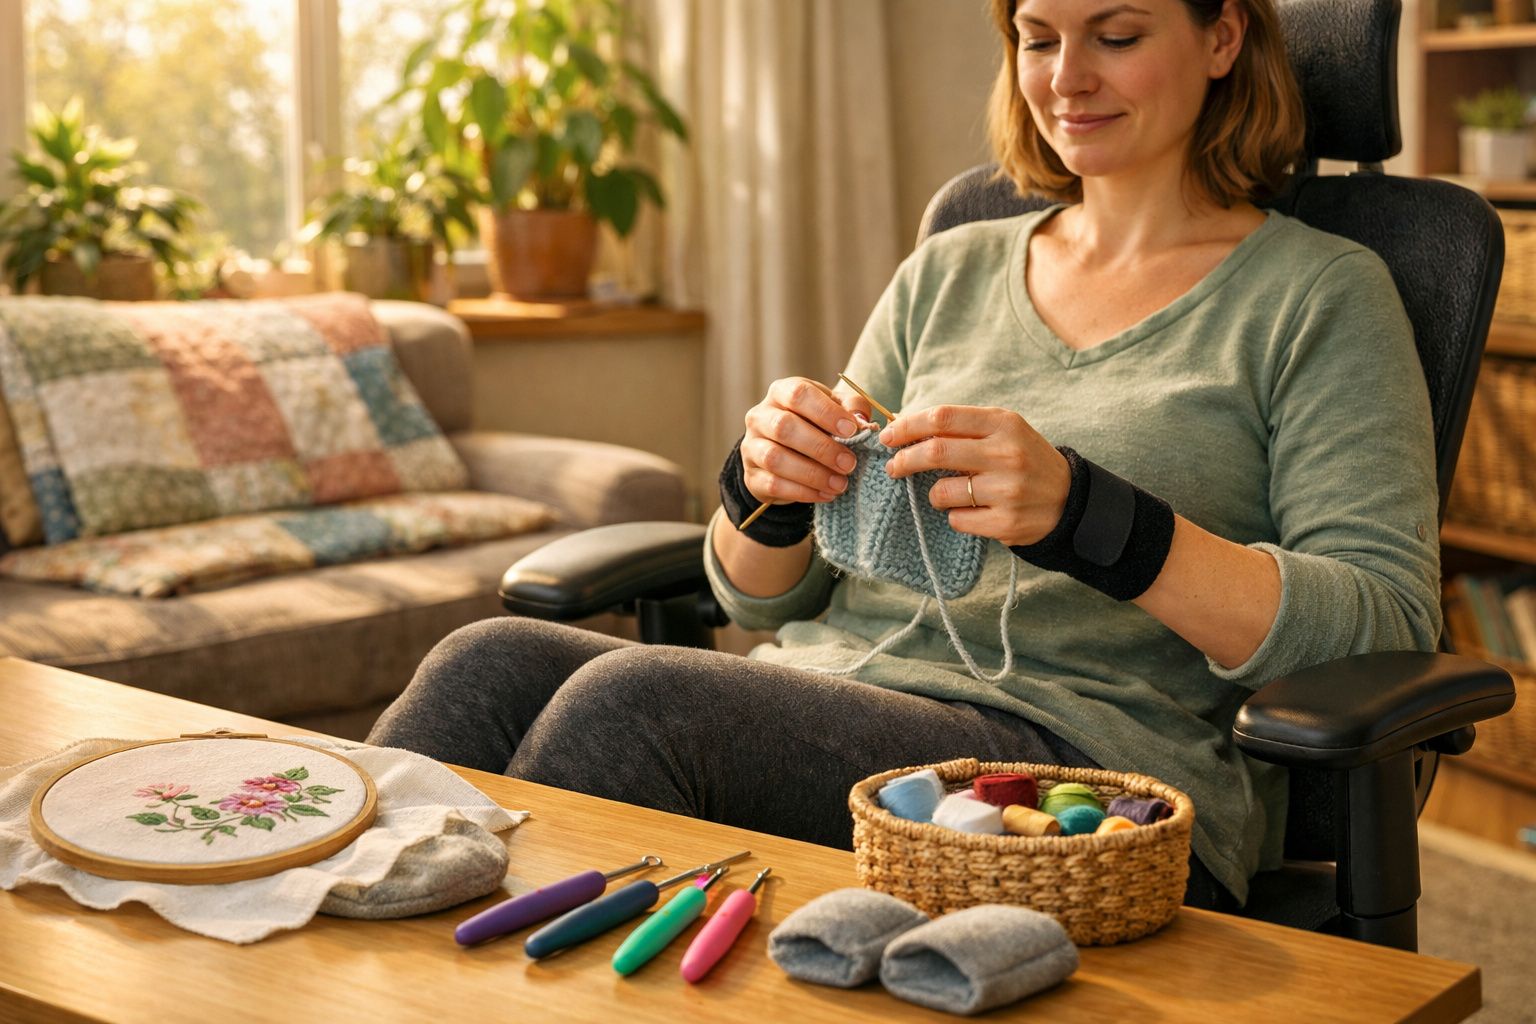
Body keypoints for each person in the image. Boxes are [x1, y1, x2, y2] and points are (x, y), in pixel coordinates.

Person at [368, 0, 1441, 911]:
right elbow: (768, 600)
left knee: (632, 704)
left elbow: (1385, 620)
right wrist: (770, 491)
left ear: (1222, 38)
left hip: (1075, 772)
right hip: (833, 694)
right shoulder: (951, 267)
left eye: (1115, 35)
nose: (1066, 77)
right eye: (1037, 38)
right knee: (483, 662)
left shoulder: (1319, 294)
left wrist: (1088, 515)